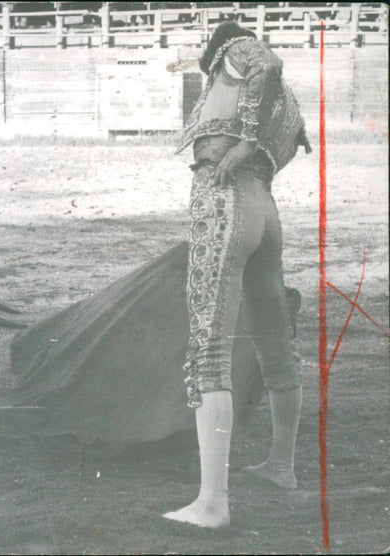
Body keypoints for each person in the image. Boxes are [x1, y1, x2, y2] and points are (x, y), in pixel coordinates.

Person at [162, 21, 311, 528]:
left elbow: (264, 62)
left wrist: (243, 143)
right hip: (265, 209)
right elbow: (290, 138)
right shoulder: (284, 103)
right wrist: (255, 148)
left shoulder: (236, 48)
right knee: (275, 343)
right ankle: (281, 467)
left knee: (209, 348)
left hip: (224, 197)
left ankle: (212, 503)